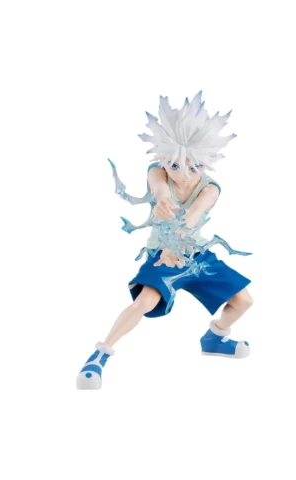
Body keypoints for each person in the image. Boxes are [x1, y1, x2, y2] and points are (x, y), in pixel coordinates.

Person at [77, 91, 254, 390]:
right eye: (174, 166)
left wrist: (179, 237)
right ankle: (99, 355)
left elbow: (194, 215)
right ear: (164, 158)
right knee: (144, 302)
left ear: (205, 162)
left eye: (193, 167)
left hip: (196, 256)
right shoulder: (157, 172)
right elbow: (159, 188)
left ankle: (215, 337)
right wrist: (161, 201)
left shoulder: (210, 188)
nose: (182, 175)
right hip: (161, 256)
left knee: (244, 301)